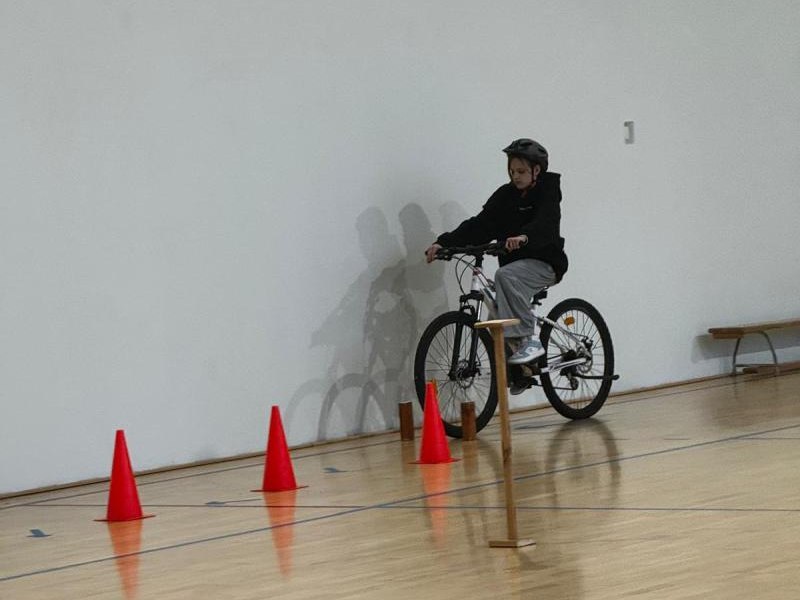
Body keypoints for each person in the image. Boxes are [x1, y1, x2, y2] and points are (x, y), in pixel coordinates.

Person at [425, 138, 568, 369]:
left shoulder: (547, 191)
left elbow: (546, 221)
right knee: (496, 322)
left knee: (505, 276)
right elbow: (480, 224)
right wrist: (443, 243)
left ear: (536, 170)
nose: (516, 176)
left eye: (521, 171)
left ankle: (529, 340)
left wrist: (524, 236)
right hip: (515, 266)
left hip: (545, 262)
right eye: (512, 171)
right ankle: (519, 373)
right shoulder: (505, 195)